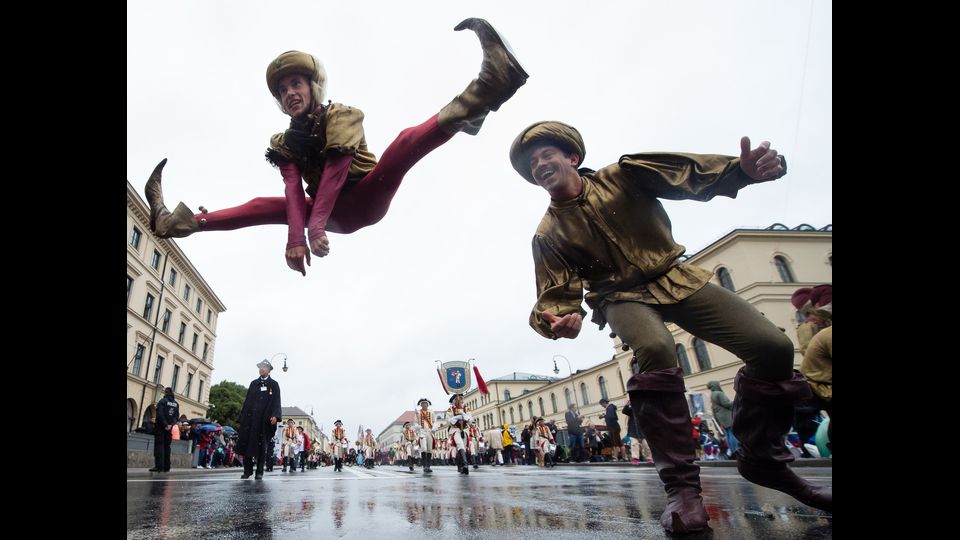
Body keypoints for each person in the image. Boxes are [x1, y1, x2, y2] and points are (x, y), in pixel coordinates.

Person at [510, 121, 830, 533]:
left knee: (773, 348)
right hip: (619, 296)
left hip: (674, 276)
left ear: (572, 157)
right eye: (532, 164)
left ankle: (763, 458)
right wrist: (560, 322)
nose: (539, 165)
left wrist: (743, 171)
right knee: (657, 349)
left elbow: (688, 175)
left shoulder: (623, 174)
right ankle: (682, 489)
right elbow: (557, 297)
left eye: (545, 155)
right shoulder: (548, 233)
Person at [144, 18, 528, 275]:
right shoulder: (282, 142)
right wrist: (295, 239)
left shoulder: (341, 115)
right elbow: (292, 190)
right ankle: (174, 224)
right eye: (282, 90)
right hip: (326, 216)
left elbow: (336, 169)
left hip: (365, 196)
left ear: (313, 87)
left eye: (296, 84)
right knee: (264, 206)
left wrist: (313, 229)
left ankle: (489, 87)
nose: (290, 93)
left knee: (404, 144)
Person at [237, 359, 282, 479]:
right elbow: (246, 402)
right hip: (250, 421)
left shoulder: (274, 385)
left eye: (264, 367)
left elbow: (276, 402)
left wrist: (275, 416)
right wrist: (240, 420)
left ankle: (259, 471)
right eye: (260, 367)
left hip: (264, 421)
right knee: (247, 444)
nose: (261, 369)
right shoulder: (253, 384)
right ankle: (247, 470)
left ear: (269, 370)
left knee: (262, 447)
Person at [150, 387, 179, 473]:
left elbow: (160, 414)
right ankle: (167, 466)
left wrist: (165, 424)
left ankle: (159, 466)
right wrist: (170, 425)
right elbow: (176, 416)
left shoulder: (162, 401)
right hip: (169, 428)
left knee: (159, 446)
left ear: (165, 393)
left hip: (161, 427)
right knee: (167, 447)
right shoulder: (176, 404)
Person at [707, 381, 737, 458]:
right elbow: (726, 403)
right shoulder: (719, 393)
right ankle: (736, 450)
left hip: (721, 417)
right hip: (727, 416)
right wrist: (735, 402)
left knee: (728, 434)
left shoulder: (712, 395)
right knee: (732, 433)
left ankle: (732, 450)